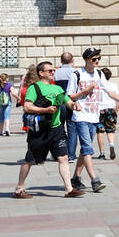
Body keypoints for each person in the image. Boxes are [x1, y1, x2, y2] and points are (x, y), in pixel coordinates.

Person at [13, 60, 93, 199]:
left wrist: (74, 106)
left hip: (56, 130)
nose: (53, 72)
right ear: (41, 73)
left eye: (53, 70)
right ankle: (19, 188)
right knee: (30, 160)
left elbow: (68, 101)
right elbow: (27, 106)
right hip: (39, 131)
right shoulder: (35, 88)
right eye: (50, 71)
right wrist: (45, 110)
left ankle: (69, 189)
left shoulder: (58, 89)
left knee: (64, 158)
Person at [70, 49, 109, 191]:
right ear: (87, 59)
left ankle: (75, 178)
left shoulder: (99, 74)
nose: (97, 61)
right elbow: (70, 96)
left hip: (94, 116)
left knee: (85, 149)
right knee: (87, 148)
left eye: (99, 58)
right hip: (80, 116)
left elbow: (108, 90)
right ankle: (95, 180)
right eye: (94, 59)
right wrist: (86, 90)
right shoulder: (76, 74)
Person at [95, 67, 119, 161]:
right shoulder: (114, 85)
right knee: (111, 131)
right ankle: (111, 144)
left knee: (100, 132)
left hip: (100, 110)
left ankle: (102, 153)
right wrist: (117, 110)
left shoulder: (98, 86)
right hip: (111, 110)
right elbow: (118, 98)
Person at [54, 52, 80, 161]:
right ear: (72, 60)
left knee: (59, 128)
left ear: (61, 61)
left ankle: (59, 152)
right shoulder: (76, 72)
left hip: (60, 102)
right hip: (72, 102)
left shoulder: (55, 72)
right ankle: (71, 155)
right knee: (72, 128)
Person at [18, 65, 37, 133]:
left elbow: (21, 86)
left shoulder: (25, 76)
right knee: (33, 109)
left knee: (26, 110)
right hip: (33, 92)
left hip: (25, 92)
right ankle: (32, 124)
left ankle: (26, 125)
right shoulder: (37, 76)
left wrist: (19, 97)